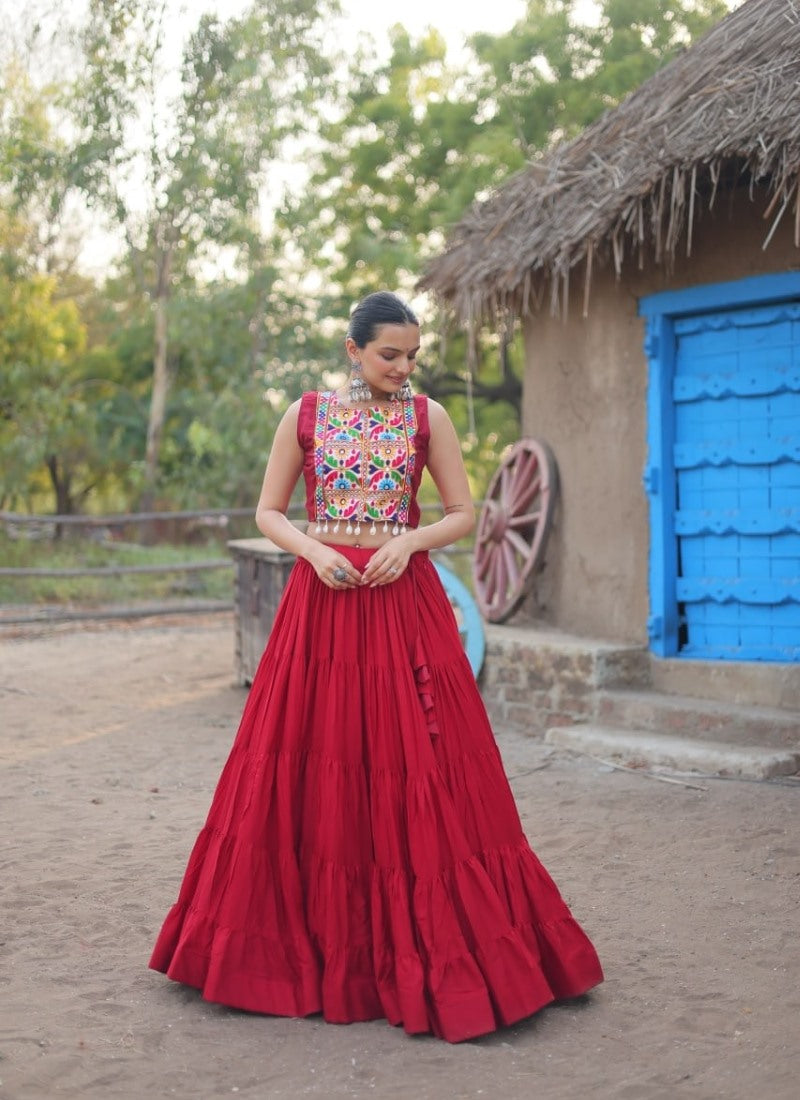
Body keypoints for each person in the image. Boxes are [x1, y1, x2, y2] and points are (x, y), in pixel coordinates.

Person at [149, 290, 603, 1043]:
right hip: (321, 608)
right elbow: (267, 512)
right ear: (351, 350)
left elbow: (464, 512)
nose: (402, 367)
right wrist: (318, 550)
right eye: (389, 354)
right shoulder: (303, 416)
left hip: (402, 608)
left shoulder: (429, 419)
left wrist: (409, 544)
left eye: (412, 356)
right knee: (308, 768)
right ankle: (303, 955)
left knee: (418, 766)